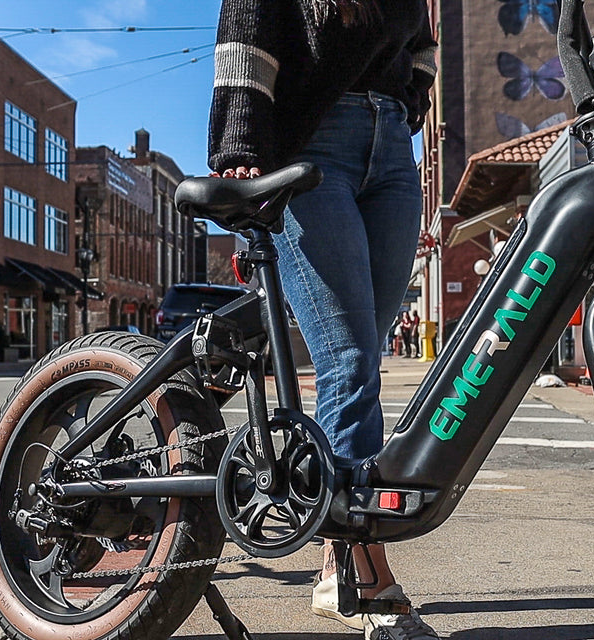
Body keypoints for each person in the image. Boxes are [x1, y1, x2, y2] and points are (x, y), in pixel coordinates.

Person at [207, 1, 438, 638]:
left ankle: (335, 543)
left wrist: (411, 98)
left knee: (362, 352)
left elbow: (422, 41)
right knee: (349, 360)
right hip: (312, 145)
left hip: (391, 151)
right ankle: (357, 567)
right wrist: (241, 148)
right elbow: (248, 27)